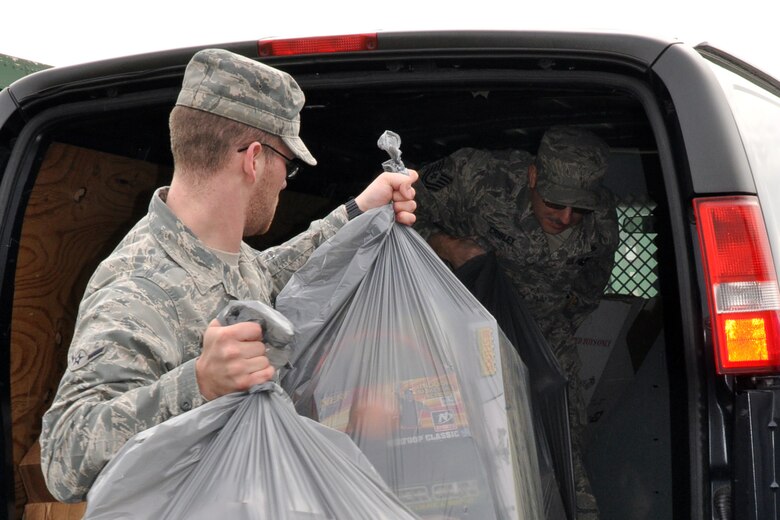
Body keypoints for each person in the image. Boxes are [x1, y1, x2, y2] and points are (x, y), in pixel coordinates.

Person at [39, 48, 418, 502]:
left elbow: (267, 274)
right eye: (288, 166)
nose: (284, 181)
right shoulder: (139, 288)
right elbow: (63, 460)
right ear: (254, 159)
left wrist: (357, 212)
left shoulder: (219, 251)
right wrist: (198, 383)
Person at [413, 125, 619, 520]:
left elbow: (589, 290)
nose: (565, 217)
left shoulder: (601, 223)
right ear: (533, 177)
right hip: (459, 333)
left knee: (564, 446)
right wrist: (446, 246)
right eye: (555, 203)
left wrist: (547, 336)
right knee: (459, 441)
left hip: (544, 334)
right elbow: (391, 210)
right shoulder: (476, 178)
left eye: (579, 208)